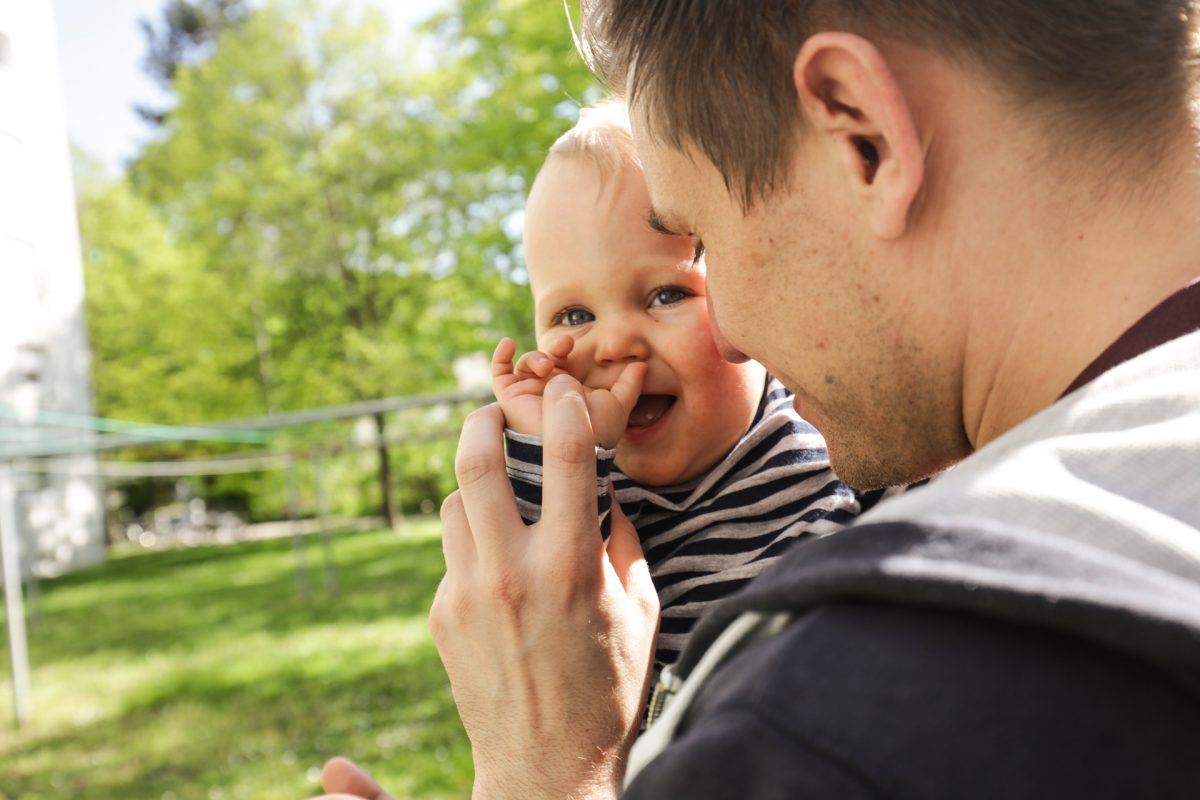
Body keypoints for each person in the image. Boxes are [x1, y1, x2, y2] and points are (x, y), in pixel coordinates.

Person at [314, 0, 1200, 797]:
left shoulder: (822, 727)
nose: (733, 335)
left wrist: (543, 776)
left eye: (706, 241)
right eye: (574, 314)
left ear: (863, 134)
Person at [492, 102, 888, 671]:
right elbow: (544, 607)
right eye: (574, 316)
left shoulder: (839, 440)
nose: (613, 345)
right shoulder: (589, 502)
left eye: (666, 295)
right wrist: (547, 448)